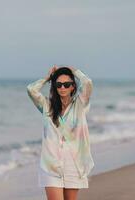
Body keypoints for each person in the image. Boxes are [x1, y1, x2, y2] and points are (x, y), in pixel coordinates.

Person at [26, 64, 95, 200]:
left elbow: (87, 83)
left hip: (73, 164)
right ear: (55, 87)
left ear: (73, 86)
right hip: (51, 165)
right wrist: (48, 78)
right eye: (58, 85)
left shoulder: (80, 105)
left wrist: (72, 70)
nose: (62, 87)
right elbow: (31, 90)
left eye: (67, 84)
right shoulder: (47, 106)